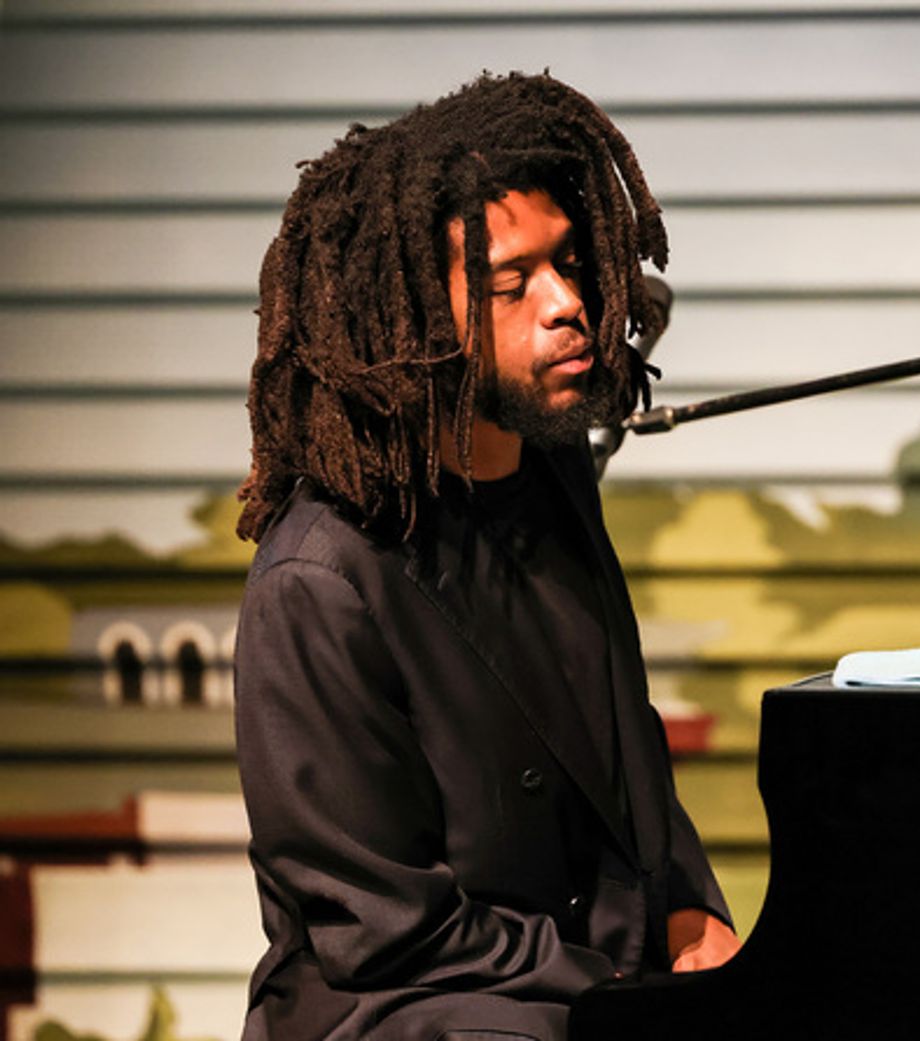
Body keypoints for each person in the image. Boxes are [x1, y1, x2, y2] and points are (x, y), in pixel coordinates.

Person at [233, 72, 739, 1041]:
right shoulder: (319, 579)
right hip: (405, 1012)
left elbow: (622, 760)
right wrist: (619, 991)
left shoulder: (551, 472)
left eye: (569, 264)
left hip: (568, 985)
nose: (566, 305)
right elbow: (388, 934)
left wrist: (684, 904)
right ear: (418, 320)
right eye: (511, 285)